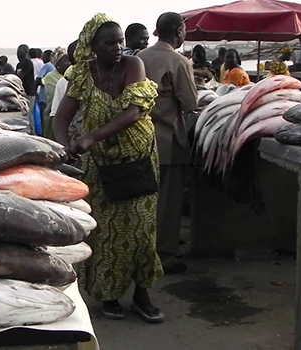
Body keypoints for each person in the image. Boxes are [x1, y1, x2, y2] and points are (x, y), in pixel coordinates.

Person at [53, 13, 164, 323]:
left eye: (120, 41)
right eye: (109, 42)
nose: (118, 47)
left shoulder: (133, 66)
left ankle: (142, 293)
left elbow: (132, 112)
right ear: (93, 45)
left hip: (137, 160)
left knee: (142, 229)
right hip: (99, 167)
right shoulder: (82, 75)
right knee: (103, 233)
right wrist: (64, 147)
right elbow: (61, 118)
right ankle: (109, 294)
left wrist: (90, 137)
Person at [138, 12, 197, 275]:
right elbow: (190, 103)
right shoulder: (178, 61)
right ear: (178, 31)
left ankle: (140, 250)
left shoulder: (139, 58)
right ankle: (163, 256)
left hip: (139, 139)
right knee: (167, 203)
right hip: (167, 140)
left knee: (143, 200)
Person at [41, 47, 70, 138]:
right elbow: (54, 99)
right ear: (57, 64)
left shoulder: (70, 75)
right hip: (54, 115)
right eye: (65, 61)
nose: (69, 63)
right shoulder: (51, 77)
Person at [16, 44, 36, 134]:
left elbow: (20, 76)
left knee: (28, 114)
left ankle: (32, 133)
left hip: (29, 93)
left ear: (26, 53)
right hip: (21, 93)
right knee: (23, 114)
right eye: (18, 51)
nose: (19, 54)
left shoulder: (28, 63)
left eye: (21, 51)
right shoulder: (19, 64)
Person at [36, 49, 55, 124]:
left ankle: (43, 133)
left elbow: (39, 78)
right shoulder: (53, 65)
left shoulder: (47, 66)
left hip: (44, 95)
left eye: (43, 56)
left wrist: (34, 91)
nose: (42, 58)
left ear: (48, 57)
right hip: (51, 95)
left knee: (43, 117)